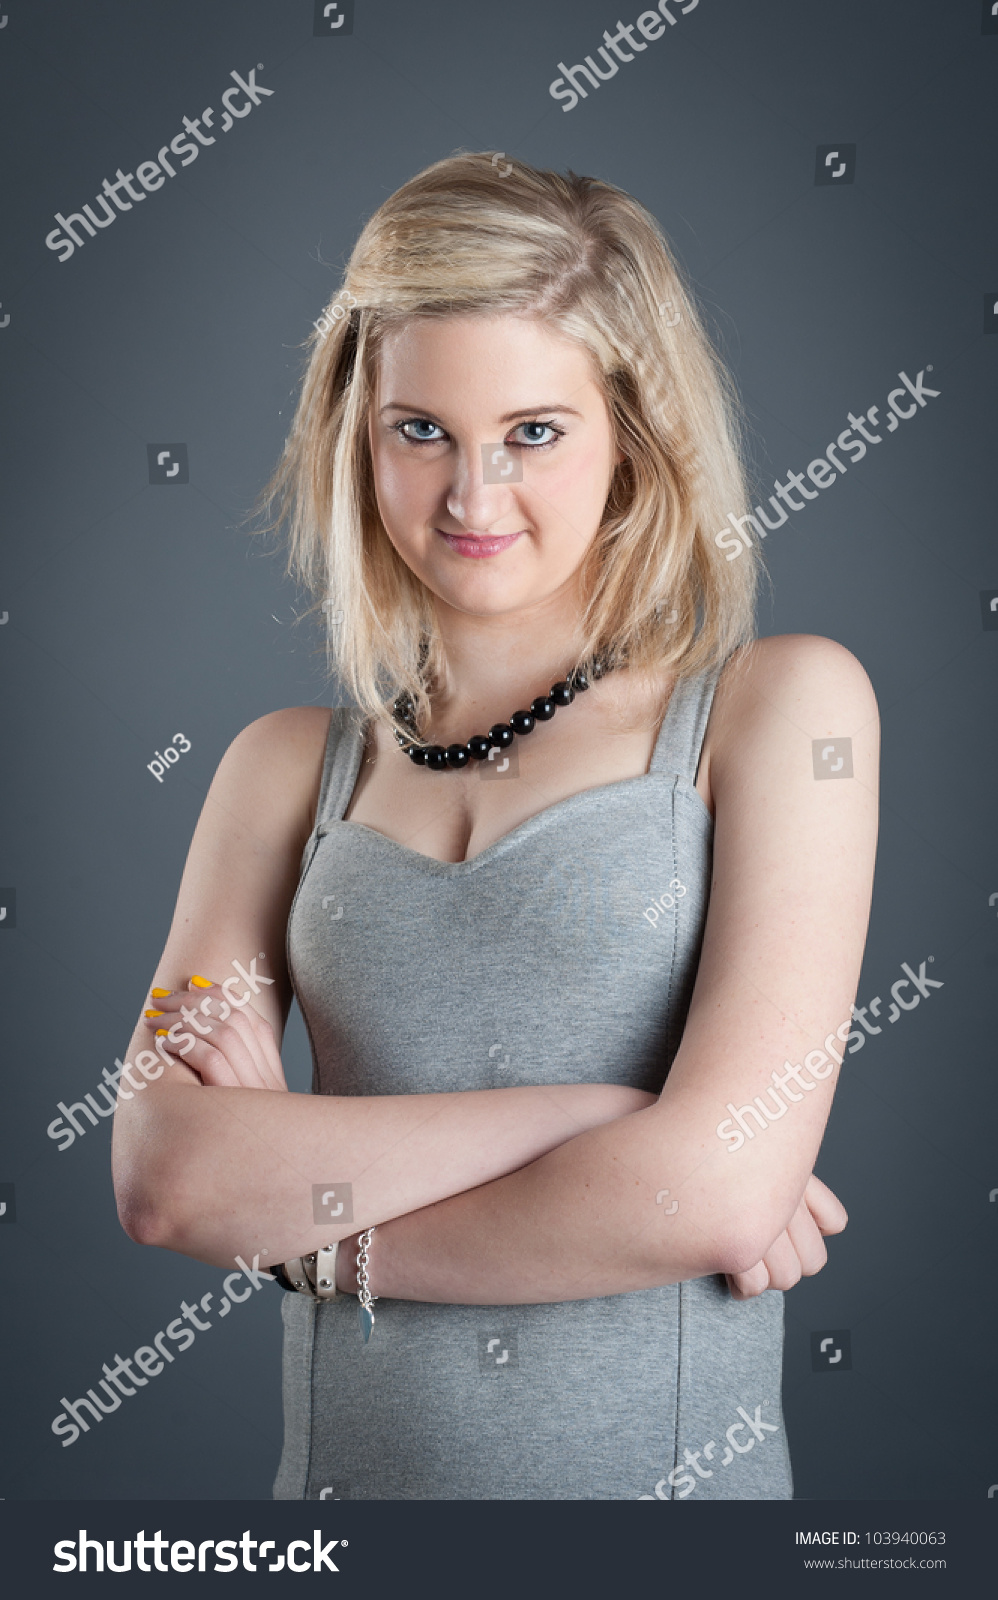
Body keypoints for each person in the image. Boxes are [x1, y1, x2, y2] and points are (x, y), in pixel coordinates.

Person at [111, 153, 878, 1501]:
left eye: (532, 431)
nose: (471, 500)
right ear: (357, 428)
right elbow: (166, 1175)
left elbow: (705, 1199)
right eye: (421, 432)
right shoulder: (276, 773)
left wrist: (309, 1235)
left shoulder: (778, 713)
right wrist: (612, 1121)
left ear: (633, 432)